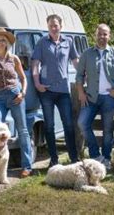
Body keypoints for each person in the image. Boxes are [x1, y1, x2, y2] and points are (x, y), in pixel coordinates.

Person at [0, 28, 33, 178]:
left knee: (22, 130)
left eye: (3, 40)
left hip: (15, 94)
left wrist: (23, 93)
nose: (0, 42)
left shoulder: (14, 58)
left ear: (7, 42)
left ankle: (27, 167)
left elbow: (23, 78)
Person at [76, 24, 114, 170]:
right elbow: (79, 75)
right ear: (95, 35)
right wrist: (81, 93)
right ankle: (95, 155)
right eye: (99, 34)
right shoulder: (87, 54)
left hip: (109, 98)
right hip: (91, 97)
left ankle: (106, 158)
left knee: (108, 129)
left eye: (105, 34)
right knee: (82, 123)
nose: (102, 37)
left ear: (109, 36)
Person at [31, 14, 79, 166]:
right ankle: (54, 160)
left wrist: (84, 76)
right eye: (50, 25)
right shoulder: (42, 42)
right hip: (47, 91)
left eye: (56, 25)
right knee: (49, 126)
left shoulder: (68, 41)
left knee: (69, 124)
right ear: (48, 27)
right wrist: (37, 83)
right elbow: (35, 64)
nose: (53, 27)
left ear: (61, 26)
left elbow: (76, 61)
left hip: (63, 90)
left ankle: (74, 158)